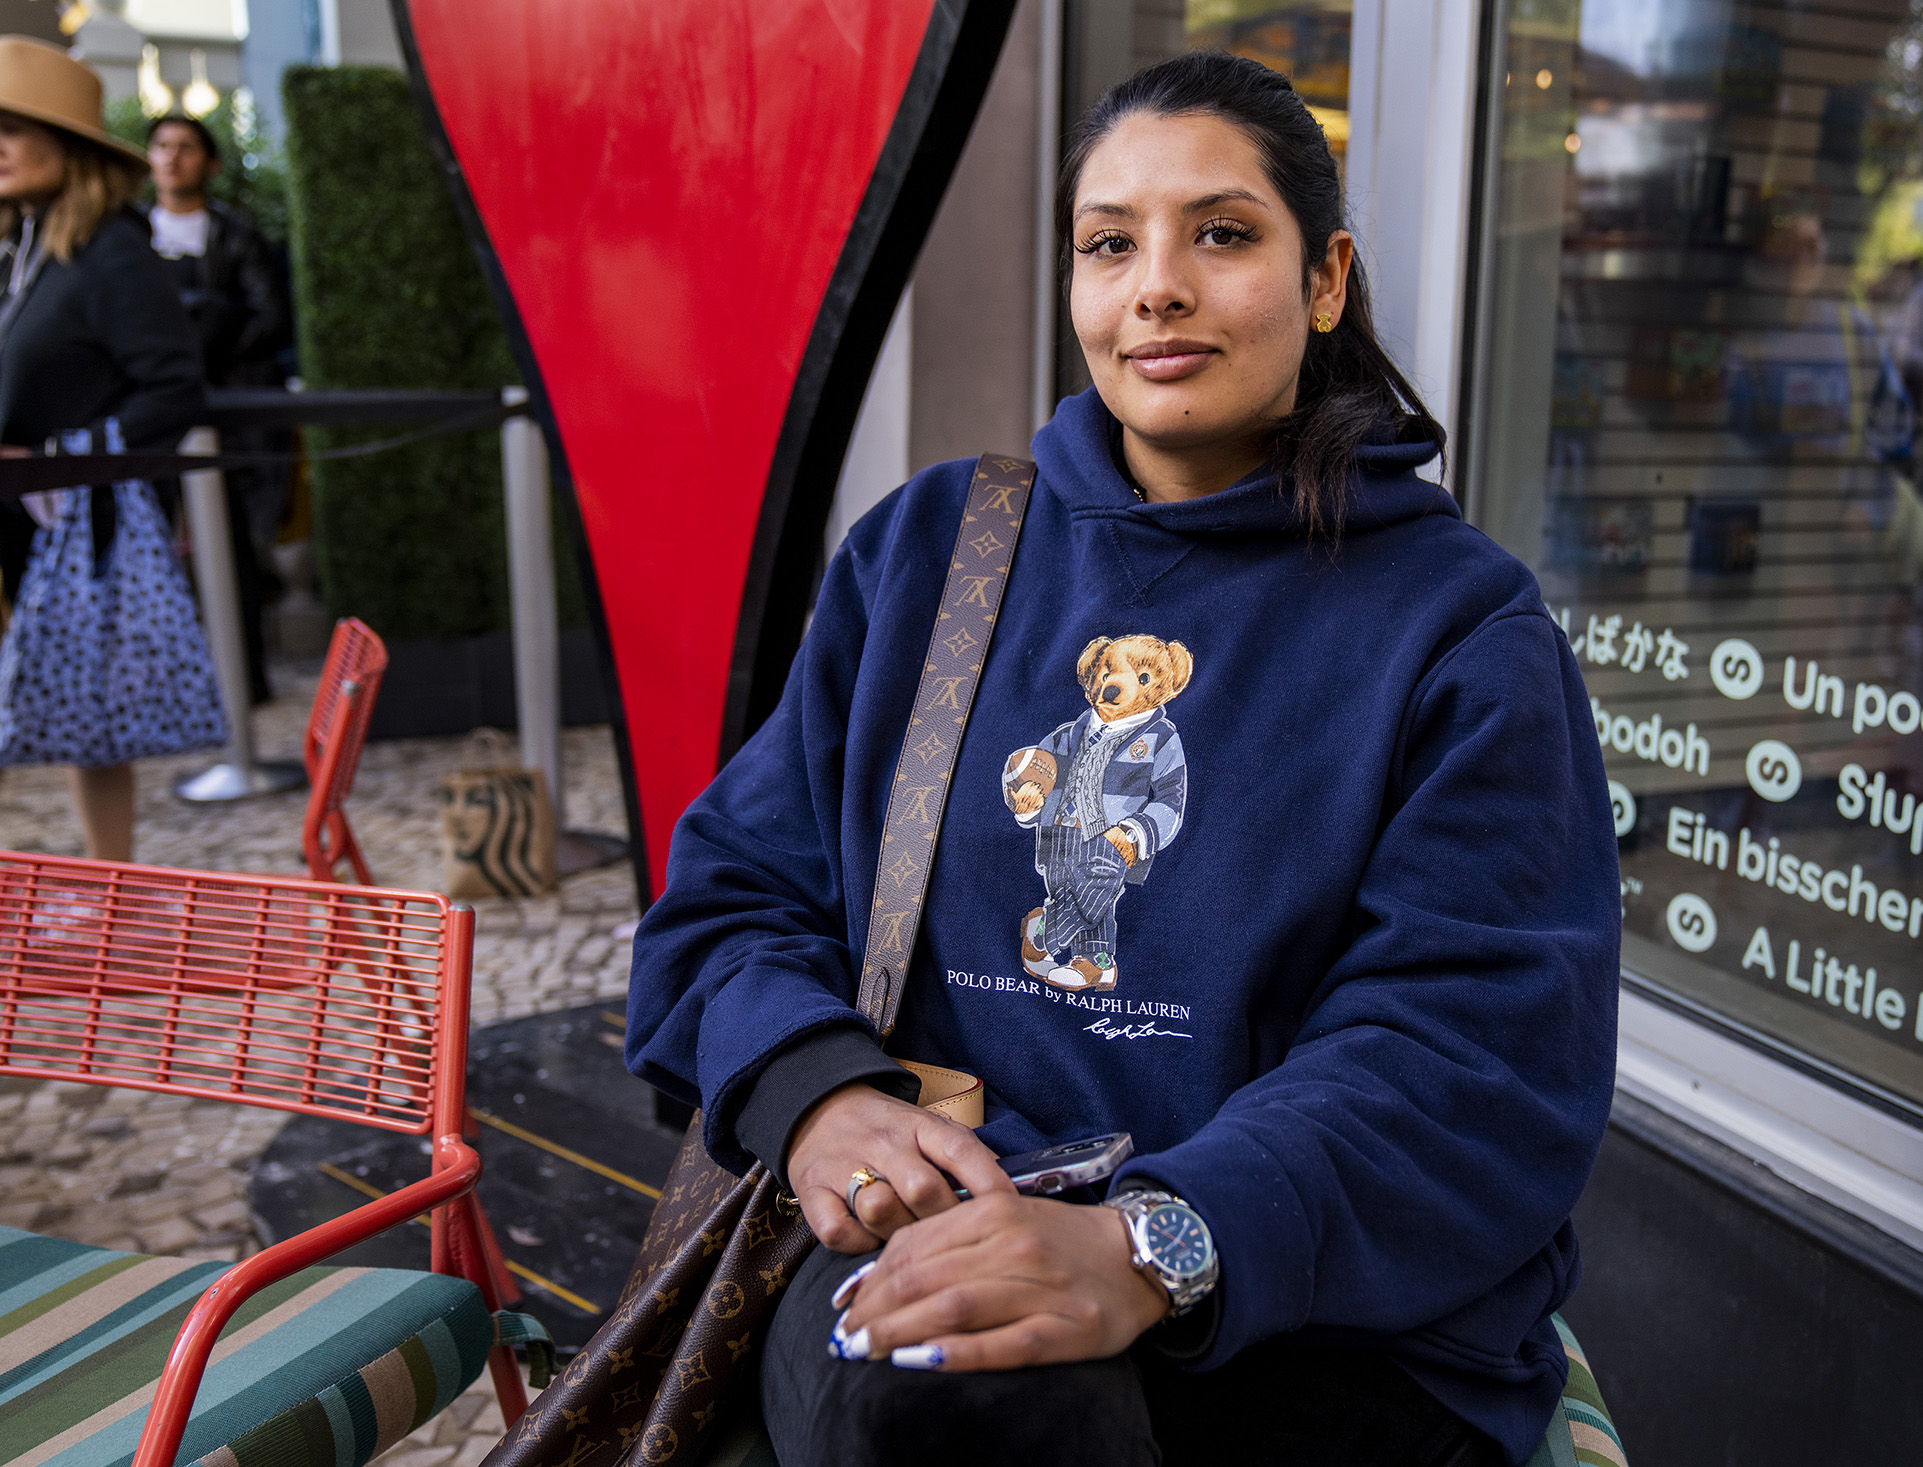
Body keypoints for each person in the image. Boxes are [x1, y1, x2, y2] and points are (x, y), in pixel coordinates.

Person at [627, 53, 1619, 1467]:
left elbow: (1470, 1055)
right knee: (932, 1374)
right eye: (1110, 243)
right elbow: (728, 895)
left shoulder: (1458, 630)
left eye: (1221, 233)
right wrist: (819, 1093)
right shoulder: (933, 558)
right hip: (931, 1239)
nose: (1155, 285)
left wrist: (1150, 1241)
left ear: (1325, 277)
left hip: (1303, 1303)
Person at [0, 38, 207, 859]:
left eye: (13, 127)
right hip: (37, 524)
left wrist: (56, 457)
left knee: (89, 725)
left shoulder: (112, 250)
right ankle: (102, 881)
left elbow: (174, 389)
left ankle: (112, 885)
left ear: (70, 144)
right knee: (67, 718)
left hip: (75, 523)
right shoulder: (35, 248)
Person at [145, 111, 291, 703]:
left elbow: (270, 314)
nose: (174, 158)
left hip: (223, 416)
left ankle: (244, 675)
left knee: (230, 546)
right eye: (162, 146)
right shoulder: (126, 236)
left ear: (209, 163)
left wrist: (212, 335)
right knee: (145, 544)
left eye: (186, 147)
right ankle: (162, 684)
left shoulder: (236, 235)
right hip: (151, 416)